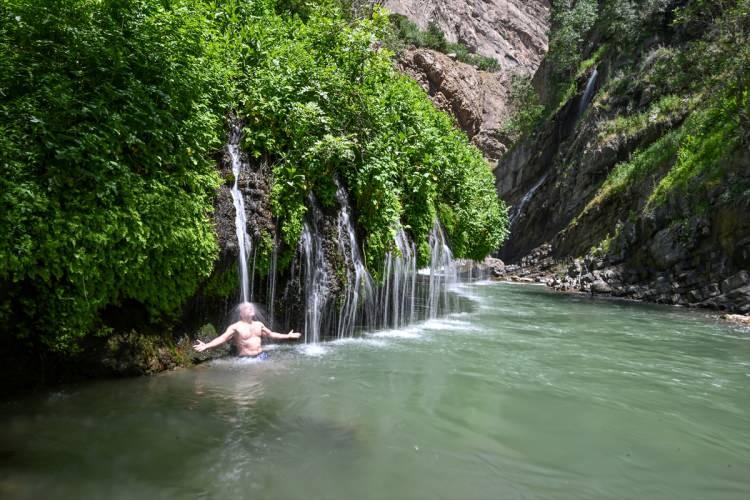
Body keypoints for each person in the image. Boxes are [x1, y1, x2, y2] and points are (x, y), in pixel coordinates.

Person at [193, 302, 301, 359]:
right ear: (241, 313)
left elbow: (271, 334)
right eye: (247, 308)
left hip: (261, 356)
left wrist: (287, 336)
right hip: (246, 359)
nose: (251, 309)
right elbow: (222, 338)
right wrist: (207, 345)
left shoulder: (259, 324)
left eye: (251, 307)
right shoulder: (235, 327)